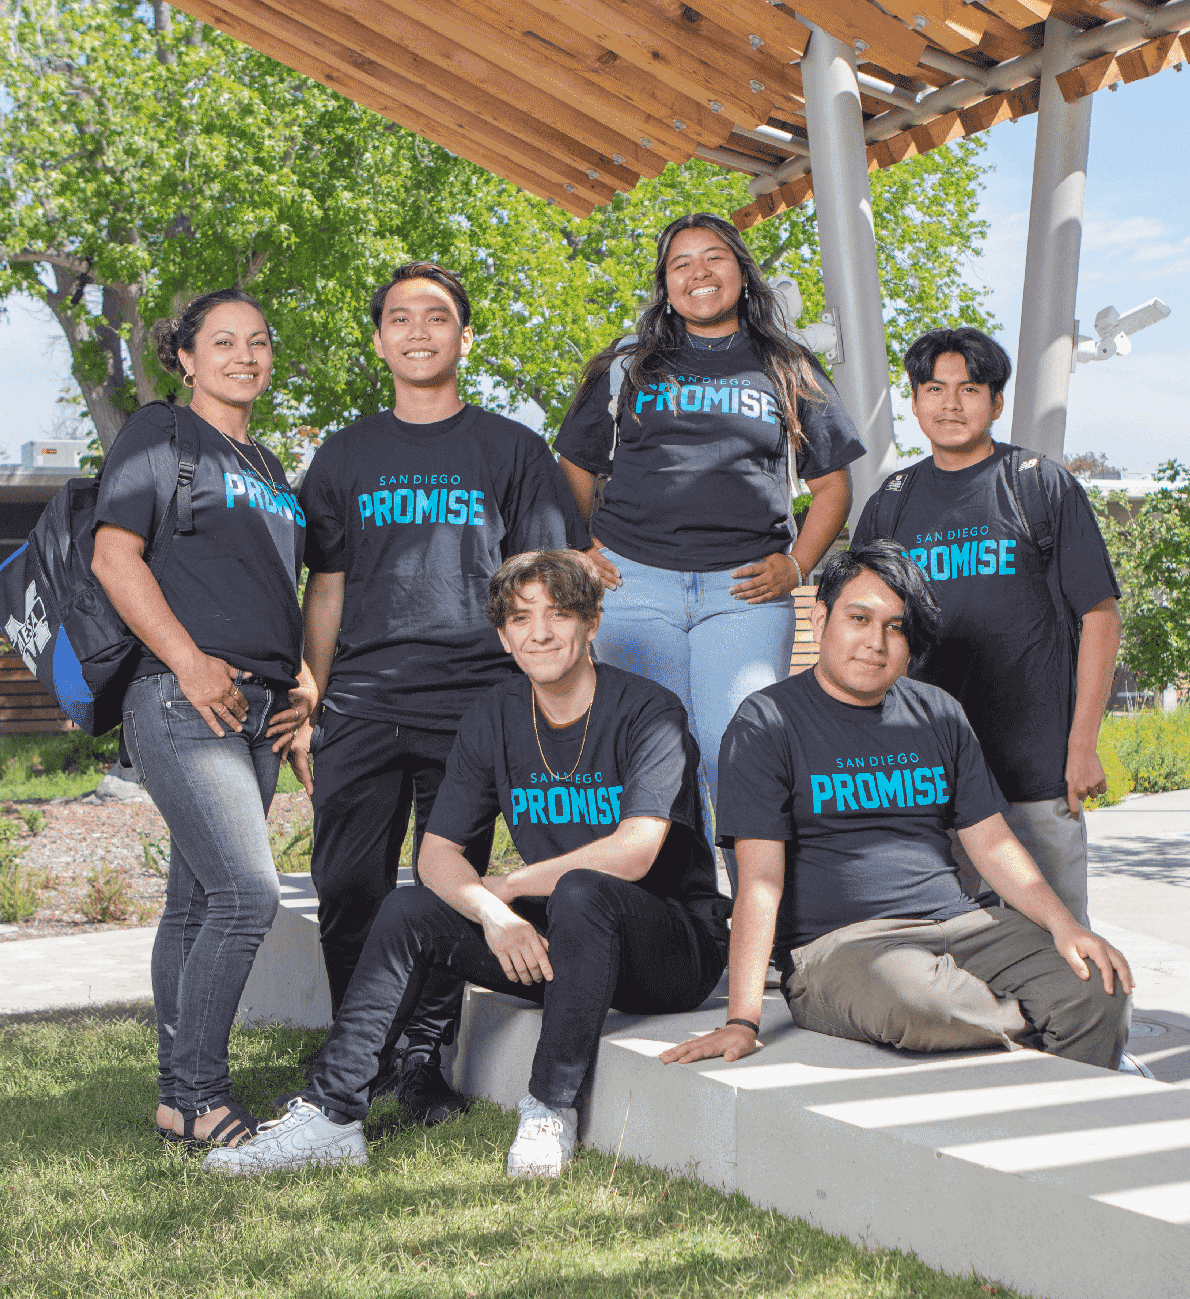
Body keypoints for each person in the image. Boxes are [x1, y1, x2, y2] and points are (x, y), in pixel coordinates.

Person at [207, 550, 730, 1178]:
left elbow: (637, 849)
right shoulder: (495, 715)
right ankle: (332, 1116)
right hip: (565, 938)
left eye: (559, 615)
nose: (540, 632)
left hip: (671, 948)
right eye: (520, 619)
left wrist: (508, 885)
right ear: (504, 636)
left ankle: (548, 1106)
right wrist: (493, 914)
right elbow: (437, 854)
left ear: (590, 623)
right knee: (407, 909)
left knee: (584, 891)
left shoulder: (648, 710)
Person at [296, 261, 588, 1123]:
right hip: (365, 700)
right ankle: (363, 1044)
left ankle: (419, 1062)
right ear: (380, 338)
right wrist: (312, 687)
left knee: (443, 889)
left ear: (466, 338)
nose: (417, 330)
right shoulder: (346, 453)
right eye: (399, 317)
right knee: (349, 883)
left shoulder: (511, 449)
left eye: (436, 317)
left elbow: (545, 582)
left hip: (475, 702)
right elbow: (329, 583)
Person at [659, 542, 1133, 1073]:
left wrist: (1066, 927)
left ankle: (1063, 1113)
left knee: (1098, 988)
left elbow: (994, 843)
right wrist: (742, 1019)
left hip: (962, 925)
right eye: (858, 618)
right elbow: (760, 882)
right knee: (926, 1004)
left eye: (896, 627)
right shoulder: (766, 722)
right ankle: (1044, 1038)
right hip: (843, 949)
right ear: (820, 619)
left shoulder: (939, 713)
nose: (875, 643)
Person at [93, 289, 315, 1148]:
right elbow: (116, 556)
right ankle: (199, 1095)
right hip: (181, 696)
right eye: (222, 341)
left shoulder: (265, 466)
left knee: (194, 902)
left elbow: (270, 590)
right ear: (186, 357)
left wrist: (301, 695)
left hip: (257, 709)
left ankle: (173, 1094)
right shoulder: (162, 434)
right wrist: (188, 661)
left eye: (258, 341)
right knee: (246, 892)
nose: (244, 355)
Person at [553, 212, 866, 817]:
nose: (700, 272)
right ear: (665, 287)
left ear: (743, 275)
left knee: (741, 751)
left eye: (715, 257)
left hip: (743, 593)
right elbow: (573, 464)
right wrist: (584, 546)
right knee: (655, 760)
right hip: (633, 585)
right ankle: (684, 910)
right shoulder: (629, 364)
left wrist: (799, 567)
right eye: (681, 263)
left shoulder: (788, 365)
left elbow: (832, 486)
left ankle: (759, 903)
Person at [851, 329, 1121, 926]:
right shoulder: (890, 504)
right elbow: (858, 635)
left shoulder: (1040, 486)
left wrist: (1082, 746)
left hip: (1034, 770)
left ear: (996, 403)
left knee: (1056, 941)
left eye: (969, 389)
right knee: (948, 949)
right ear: (915, 401)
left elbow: (1100, 618)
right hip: (926, 777)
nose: (950, 405)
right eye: (934, 389)